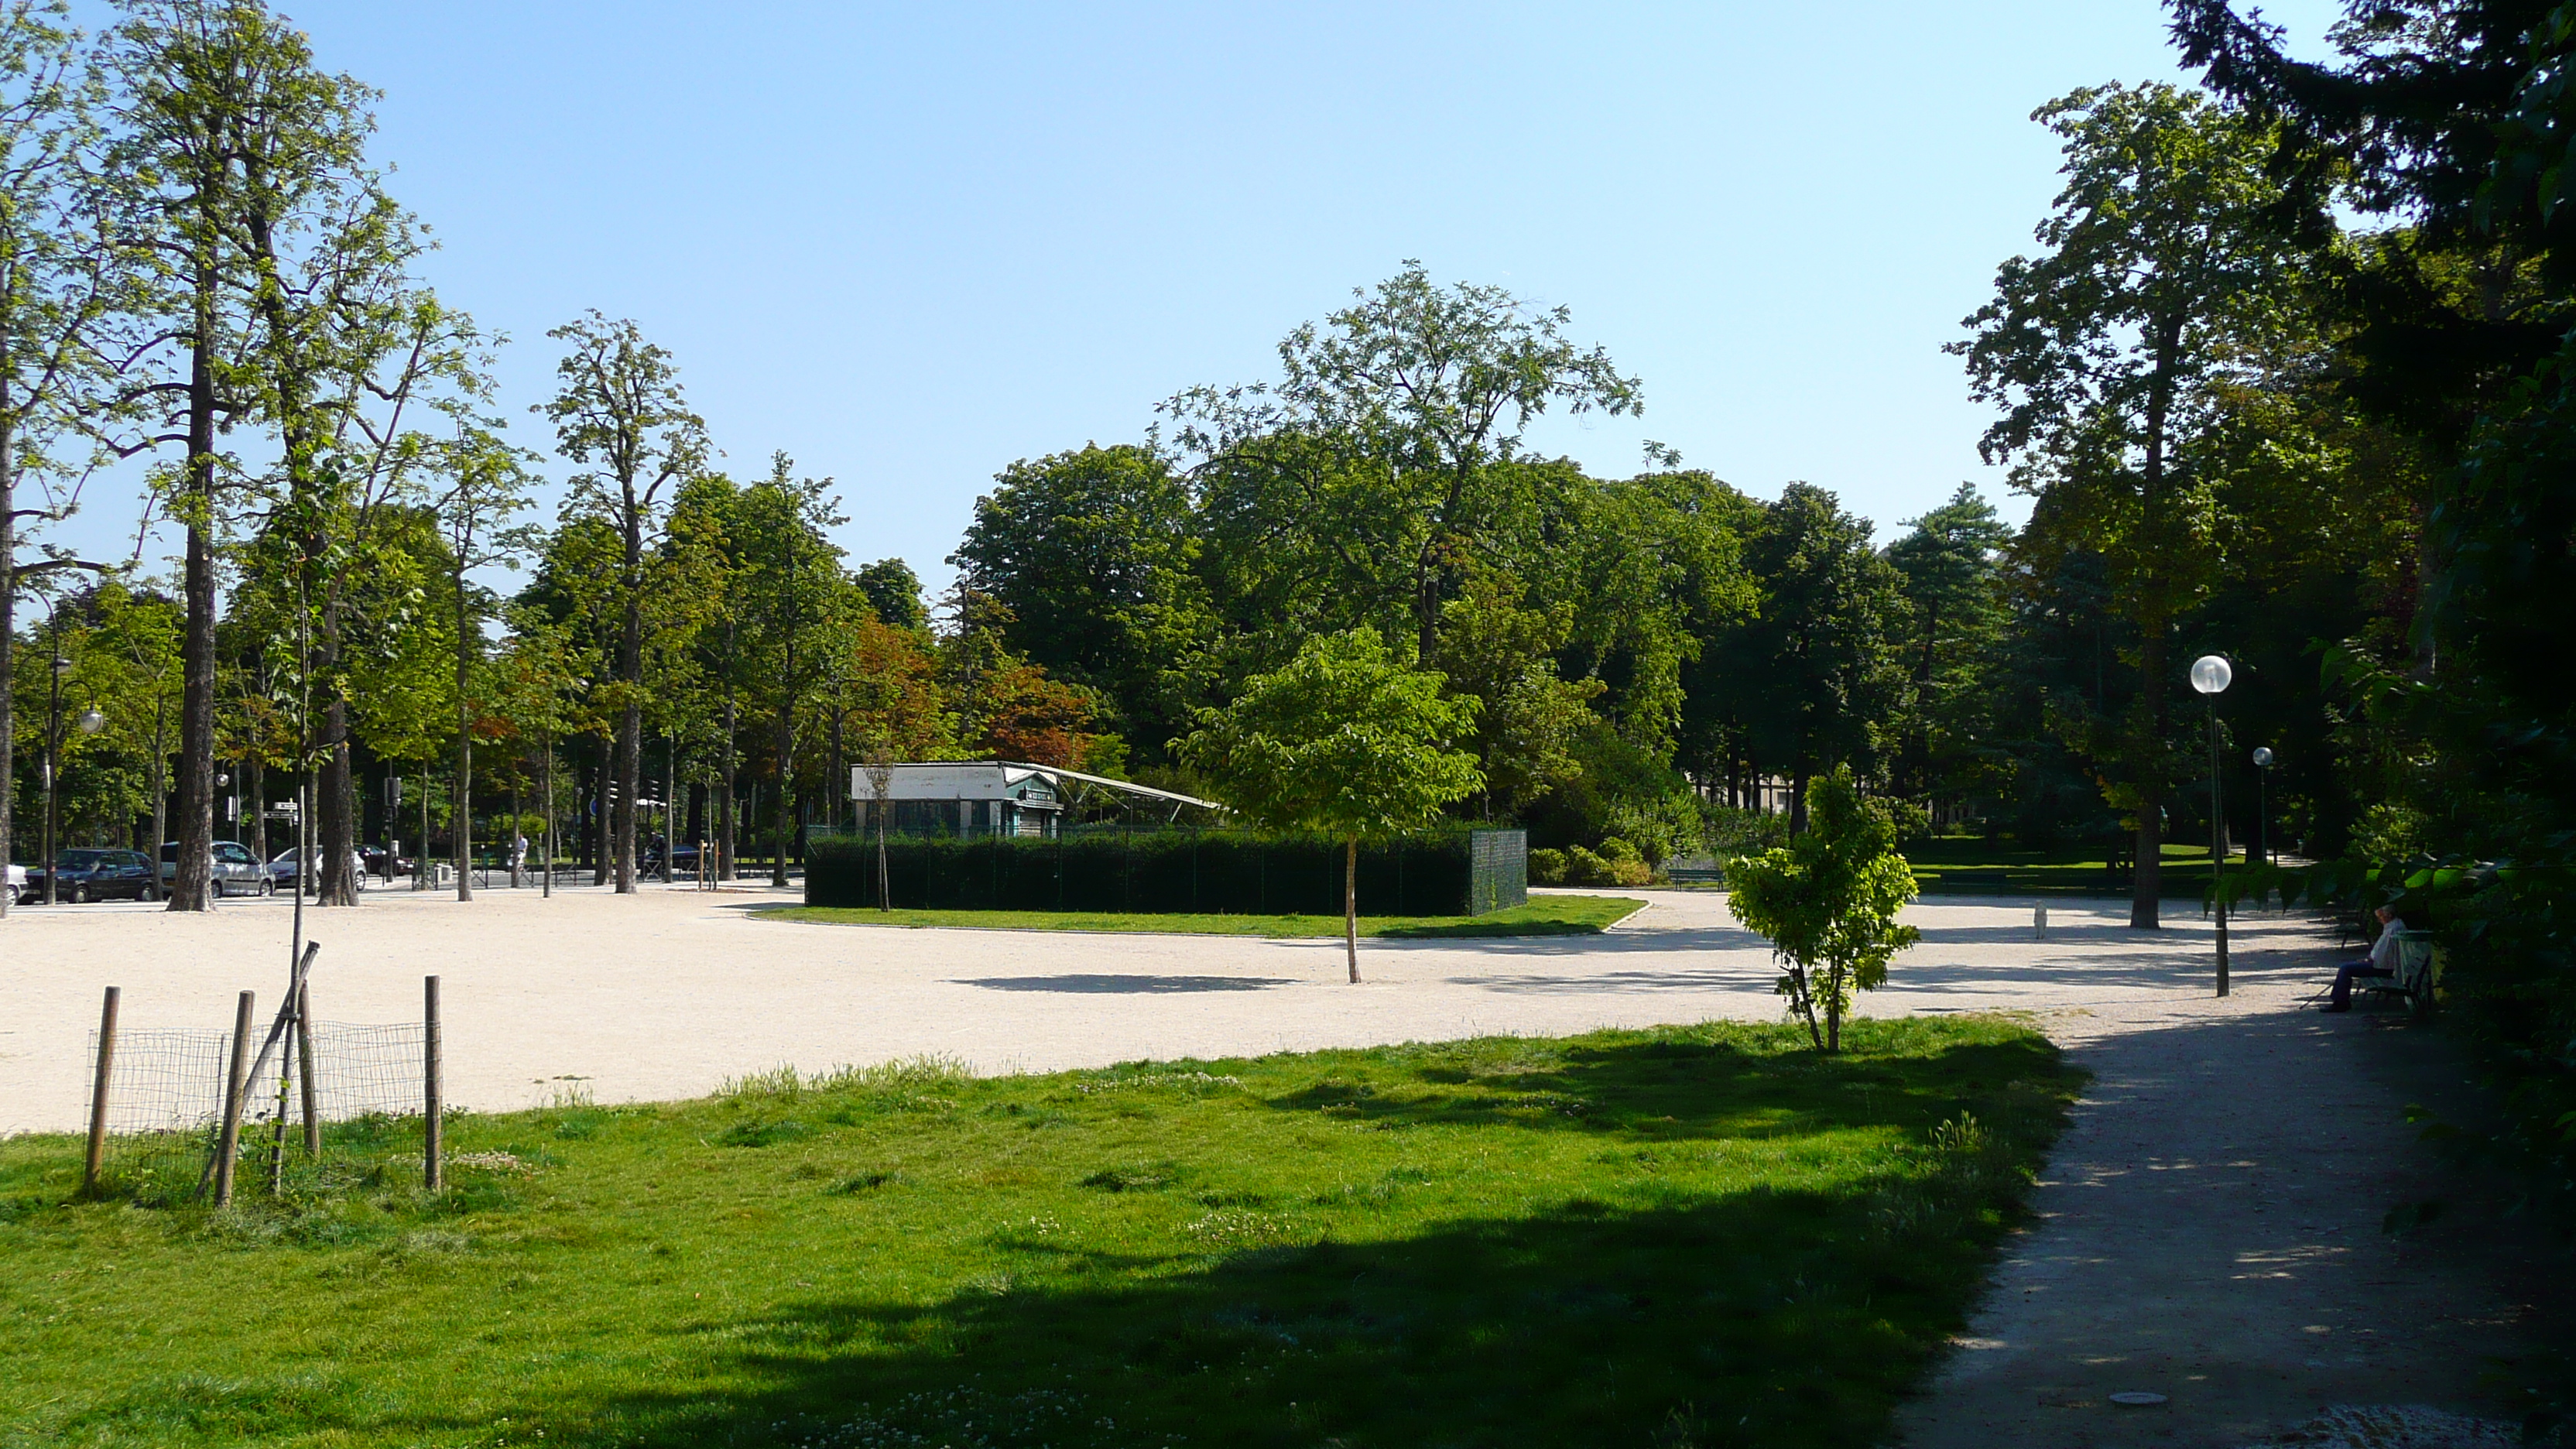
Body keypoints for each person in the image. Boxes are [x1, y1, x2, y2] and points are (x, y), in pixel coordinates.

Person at [2322, 904, 2406, 1012]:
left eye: (2380, 917)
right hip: (2381, 964)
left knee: (2346, 968)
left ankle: (2341, 1003)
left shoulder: (2393, 929)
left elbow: (2384, 955)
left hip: (2383, 968)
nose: (2379, 920)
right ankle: (2340, 1001)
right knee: (2347, 967)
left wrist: (2370, 959)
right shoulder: (2393, 926)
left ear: (2388, 915)